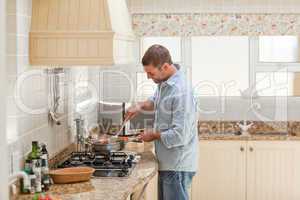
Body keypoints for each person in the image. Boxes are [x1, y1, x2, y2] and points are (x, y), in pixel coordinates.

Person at [125, 44, 198, 200]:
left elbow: (180, 135)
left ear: (164, 67)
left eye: (150, 73)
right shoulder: (165, 83)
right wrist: (140, 106)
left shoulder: (181, 92)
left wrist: (153, 135)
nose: (148, 77)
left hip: (177, 165)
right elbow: (157, 100)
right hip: (168, 162)